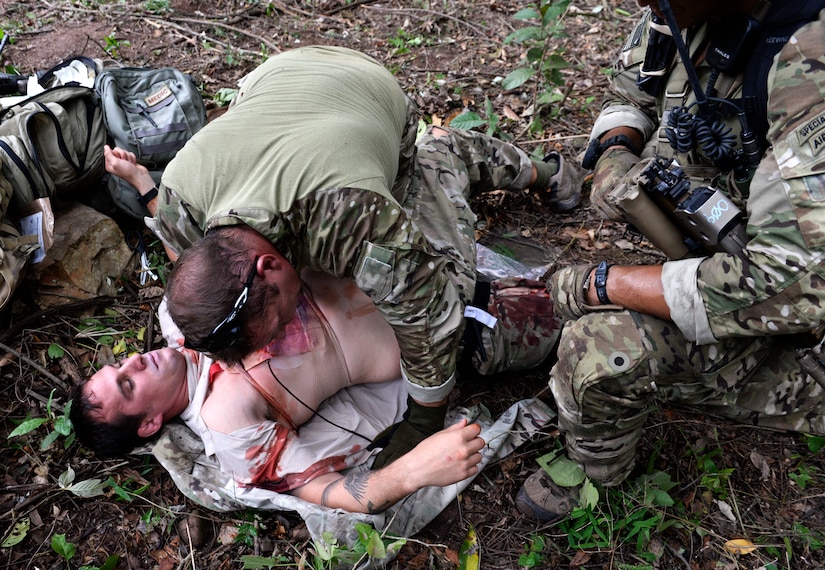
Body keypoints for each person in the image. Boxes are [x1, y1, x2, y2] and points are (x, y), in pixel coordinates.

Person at [103, 44, 582, 468]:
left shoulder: (351, 219)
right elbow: (199, 269)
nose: (285, 333)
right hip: (278, 80)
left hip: (363, 88)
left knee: (447, 263)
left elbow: (428, 314)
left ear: (269, 265)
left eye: (278, 324)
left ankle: (522, 167)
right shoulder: (180, 204)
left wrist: (424, 417)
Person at [515, 0, 825, 522]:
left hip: (802, 322)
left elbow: (796, 284)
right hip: (742, 251)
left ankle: (594, 479)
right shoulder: (683, 9)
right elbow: (633, 86)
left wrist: (603, 284)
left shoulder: (809, 68)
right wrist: (617, 149)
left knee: (598, 351)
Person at [72, 253, 559, 513]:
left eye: (120, 366)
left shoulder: (179, 317)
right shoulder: (228, 420)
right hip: (455, 323)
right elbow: (329, 492)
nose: (135, 362)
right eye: (129, 386)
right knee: (590, 308)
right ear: (150, 423)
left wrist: (145, 187)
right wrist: (414, 470)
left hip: (405, 253)